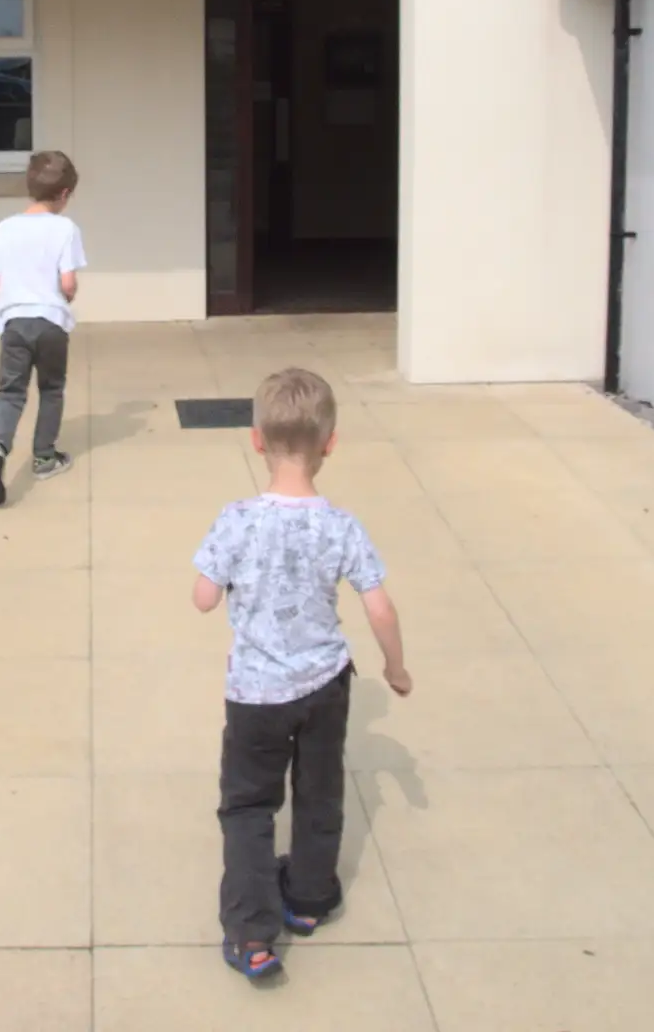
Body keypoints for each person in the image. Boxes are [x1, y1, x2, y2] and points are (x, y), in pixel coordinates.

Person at [192, 366, 412, 981]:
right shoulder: (341, 525)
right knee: (319, 791)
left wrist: (225, 579)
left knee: (249, 805)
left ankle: (251, 932)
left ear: (256, 439)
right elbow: (379, 605)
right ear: (331, 444)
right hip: (325, 684)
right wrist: (396, 668)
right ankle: (310, 898)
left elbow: (204, 597)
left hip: (257, 693)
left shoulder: (236, 519)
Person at [0, 150, 86, 507]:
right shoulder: (66, 229)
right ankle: (43, 458)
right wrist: (66, 294)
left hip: (13, 324)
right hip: (51, 323)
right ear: (65, 194)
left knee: (11, 392)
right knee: (51, 389)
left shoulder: (6, 227)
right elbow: (68, 283)